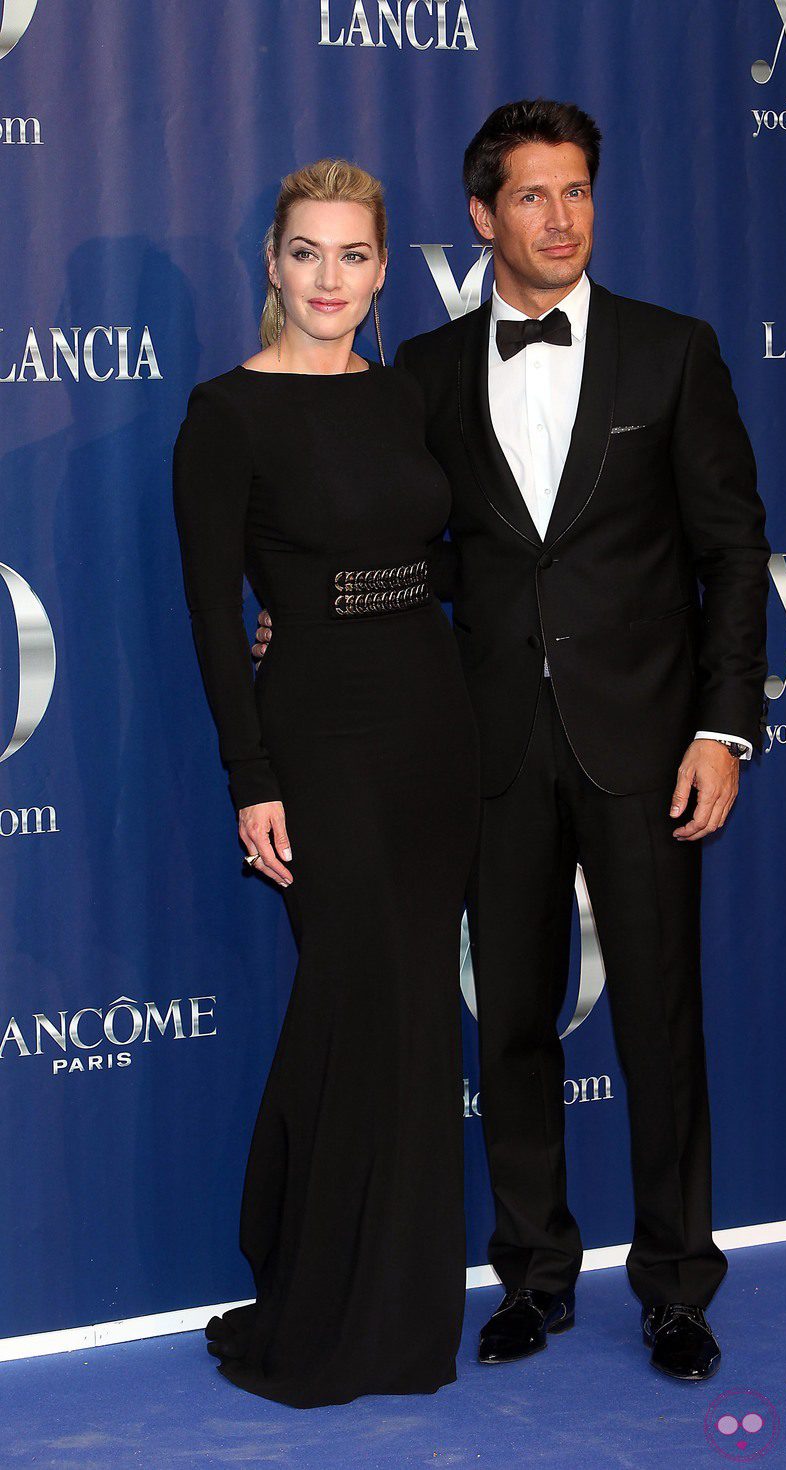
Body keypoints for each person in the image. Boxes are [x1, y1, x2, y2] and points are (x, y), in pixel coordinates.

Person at [253, 99, 770, 1383]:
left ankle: (673, 1285)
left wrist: (723, 727)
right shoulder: (418, 372)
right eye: (531, 197)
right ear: (481, 218)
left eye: (578, 191)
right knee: (509, 1028)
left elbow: (732, 552)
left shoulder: (674, 353)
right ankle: (532, 1274)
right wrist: (305, 620)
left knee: (659, 1018)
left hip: (648, 742)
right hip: (473, 747)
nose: (560, 218)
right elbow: (393, 540)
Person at [172, 158, 480, 1408]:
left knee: (408, 1025)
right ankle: (312, 1301)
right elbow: (207, 615)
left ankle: (396, 1311)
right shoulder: (224, 413)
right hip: (318, 740)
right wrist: (252, 773)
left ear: (383, 266)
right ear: (271, 263)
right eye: (307, 254)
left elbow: (438, 558)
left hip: (431, 722)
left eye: (354, 256)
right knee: (359, 1004)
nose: (330, 281)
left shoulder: (402, 395)